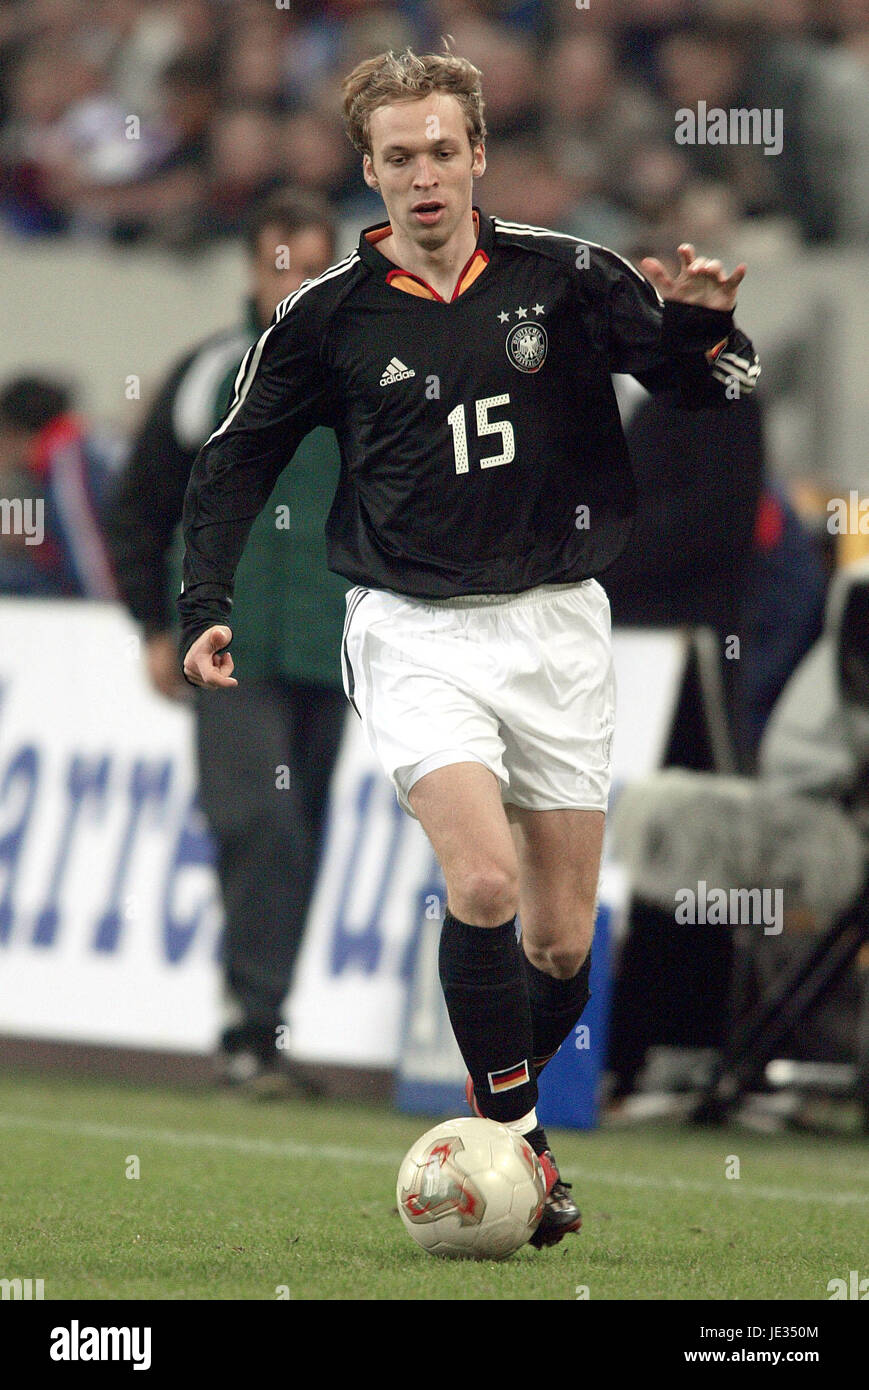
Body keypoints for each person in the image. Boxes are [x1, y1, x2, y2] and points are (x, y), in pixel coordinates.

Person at [177, 47, 759, 1248]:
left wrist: (705, 337)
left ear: (479, 153)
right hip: (411, 630)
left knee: (556, 943)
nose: (426, 175)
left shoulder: (569, 276)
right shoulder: (326, 317)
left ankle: (491, 1110)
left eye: (445, 150)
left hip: (554, 626)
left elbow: (695, 384)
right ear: (370, 170)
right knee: (481, 884)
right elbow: (234, 457)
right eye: (400, 157)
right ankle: (521, 1149)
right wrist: (204, 601)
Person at [104, 188, 349, 1095]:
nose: (294, 281)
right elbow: (140, 507)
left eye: (313, 263)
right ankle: (250, 1026)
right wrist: (151, 623)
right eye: (280, 262)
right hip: (225, 639)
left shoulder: (360, 370)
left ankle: (262, 1032)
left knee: (306, 829)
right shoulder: (208, 373)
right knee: (261, 822)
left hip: (333, 641)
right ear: (251, 267)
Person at [0, 376, 118, 599]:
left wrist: (106, 621)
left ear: (12, 433)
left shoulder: (67, 459)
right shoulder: (76, 448)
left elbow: (90, 558)